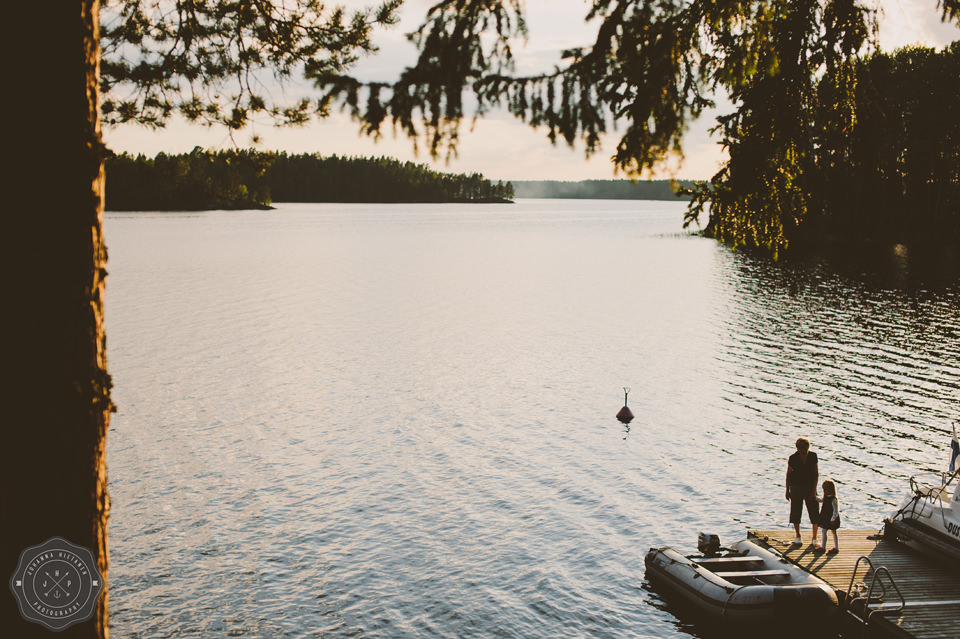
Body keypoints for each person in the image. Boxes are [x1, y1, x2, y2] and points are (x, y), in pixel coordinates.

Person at [785, 437, 819, 545]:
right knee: (796, 511)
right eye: (802, 449)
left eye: (806, 449)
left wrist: (814, 490)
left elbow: (816, 474)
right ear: (798, 449)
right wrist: (787, 490)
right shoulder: (793, 458)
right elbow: (788, 475)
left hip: (810, 487)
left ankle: (814, 537)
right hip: (796, 487)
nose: (804, 452)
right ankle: (798, 536)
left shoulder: (813, 456)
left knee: (814, 512)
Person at [817, 480, 841, 553]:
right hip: (825, 517)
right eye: (824, 489)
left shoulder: (833, 499)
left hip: (831, 518)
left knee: (833, 532)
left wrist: (833, 519)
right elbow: (821, 500)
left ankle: (836, 547)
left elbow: (836, 510)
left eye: (827, 489)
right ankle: (823, 547)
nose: (826, 491)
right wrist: (815, 498)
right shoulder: (826, 497)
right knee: (824, 531)